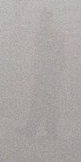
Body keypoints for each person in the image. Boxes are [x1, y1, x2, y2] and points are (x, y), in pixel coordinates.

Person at [24, 9, 65, 140]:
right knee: (50, 100)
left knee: (39, 100)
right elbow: (59, 54)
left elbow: (44, 54)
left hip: (46, 72)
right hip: (50, 72)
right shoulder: (54, 34)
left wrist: (39, 69)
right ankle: (49, 130)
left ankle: (33, 130)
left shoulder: (45, 34)